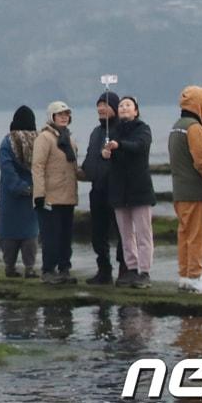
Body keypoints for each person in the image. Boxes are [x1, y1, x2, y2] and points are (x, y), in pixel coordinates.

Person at [169, 86, 202, 294]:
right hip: (196, 191)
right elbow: (201, 158)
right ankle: (196, 276)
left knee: (184, 234)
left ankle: (184, 275)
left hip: (180, 190)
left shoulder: (176, 127)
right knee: (199, 236)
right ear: (198, 103)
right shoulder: (194, 128)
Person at [104, 96, 156, 289]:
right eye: (121, 105)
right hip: (119, 190)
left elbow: (139, 146)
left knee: (143, 233)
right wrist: (105, 154)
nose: (124, 108)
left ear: (136, 111)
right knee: (125, 234)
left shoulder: (143, 129)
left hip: (139, 189)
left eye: (128, 105)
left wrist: (119, 146)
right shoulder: (113, 131)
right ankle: (131, 269)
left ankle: (145, 271)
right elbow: (108, 157)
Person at [33, 102, 84, 285]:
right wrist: (39, 195)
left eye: (66, 114)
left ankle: (64, 269)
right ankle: (48, 270)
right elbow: (37, 166)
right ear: (51, 117)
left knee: (65, 236)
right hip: (50, 197)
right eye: (60, 114)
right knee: (50, 236)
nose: (64, 117)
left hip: (68, 196)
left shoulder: (69, 139)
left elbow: (73, 169)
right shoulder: (44, 138)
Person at [81, 92, 127, 285]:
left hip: (117, 189)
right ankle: (104, 269)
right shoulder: (95, 133)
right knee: (98, 233)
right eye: (99, 105)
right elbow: (91, 158)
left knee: (122, 232)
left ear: (115, 108)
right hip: (97, 188)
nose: (101, 108)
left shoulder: (122, 130)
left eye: (105, 105)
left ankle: (125, 269)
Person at [0, 106, 39, 278]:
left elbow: (5, 166)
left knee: (9, 231)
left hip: (10, 195)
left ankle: (10, 267)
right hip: (33, 193)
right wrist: (33, 188)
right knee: (30, 231)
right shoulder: (39, 141)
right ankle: (30, 268)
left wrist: (17, 186)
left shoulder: (7, 142)